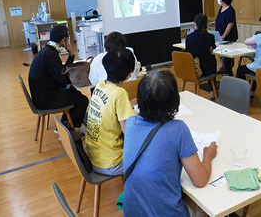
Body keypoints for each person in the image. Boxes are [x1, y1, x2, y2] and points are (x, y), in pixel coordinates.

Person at [123, 70, 217, 217]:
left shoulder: (129, 123)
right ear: (174, 100)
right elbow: (200, 180)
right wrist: (208, 157)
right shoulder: (178, 129)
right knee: (206, 206)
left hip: (132, 211)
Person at [86, 47, 135, 175]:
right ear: (129, 73)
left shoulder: (101, 85)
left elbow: (110, 109)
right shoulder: (120, 93)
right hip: (112, 163)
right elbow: (129, 133)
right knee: (153, 153)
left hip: (94, 158)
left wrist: (132, 104)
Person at [28, 24, 88, 129]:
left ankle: (64, 124)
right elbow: (64, 80)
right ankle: (68, 129)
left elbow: (61, 72)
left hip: (43, 95)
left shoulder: (48, 51)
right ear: (64, 39)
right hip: (45, 100)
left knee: (74, 93)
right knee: (82, 100)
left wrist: (70, 55)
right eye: (68, 38)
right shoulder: (50, 55)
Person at [186, 13, 217, 100]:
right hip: (206, 69)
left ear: (195, 24)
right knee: (212, 60)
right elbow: (212, 48)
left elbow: (189, 51)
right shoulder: (210, 36)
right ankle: (212, 93)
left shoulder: (189, 37)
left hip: (194, 69)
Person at [210, 0, 238, 75]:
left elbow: (230, 24)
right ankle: (222, 67)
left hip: (228, 36)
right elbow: (220, 18)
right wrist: (215, 22)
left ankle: (228, 71)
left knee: (227, 54)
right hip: (220, 33)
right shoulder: (221, 7)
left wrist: (224, 35)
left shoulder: (230, 10)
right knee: (221, 52)